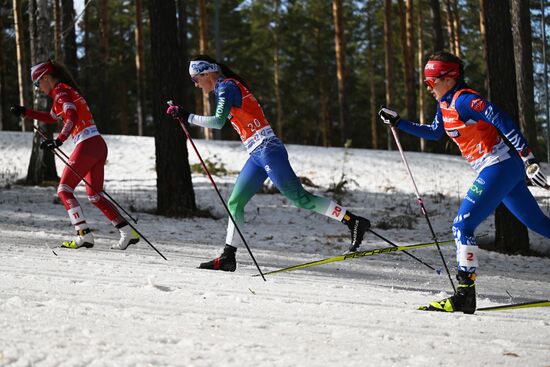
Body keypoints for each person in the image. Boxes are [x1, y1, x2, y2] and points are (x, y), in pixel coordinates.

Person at [379, 51, 550, 314]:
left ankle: (464, 296)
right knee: (537, 222)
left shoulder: (467, 100)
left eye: (431, 81)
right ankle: (464, 296)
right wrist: (400, 122)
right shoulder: (445, 103)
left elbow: (502, 119)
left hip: (499, 166)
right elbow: (435, 133)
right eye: (426, 82)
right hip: (501, 168)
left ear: (449, 78)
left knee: (463, 224)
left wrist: (529, 158)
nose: (428, 87)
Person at [167, 55, 371, 271]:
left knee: (300, 199)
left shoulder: (226, 86)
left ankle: (353, 221)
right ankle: (228, 256)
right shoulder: (223, 89)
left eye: (195, 79)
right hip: (256, 153)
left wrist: (186, 115)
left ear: (206, 73)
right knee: (235, 203)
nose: (196, 84)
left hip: (268, 149)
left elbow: (217, 122)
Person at [10, 60, 139, 250]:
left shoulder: (60, 92)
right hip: (97, 145)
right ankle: (128, 232)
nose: (38, 88)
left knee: (64, 190)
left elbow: (71, 116)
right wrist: (26, 112)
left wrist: (59, 139)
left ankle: (83, 235)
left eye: (38, 83)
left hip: (87, 144)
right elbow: (51, 117)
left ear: (46, 77)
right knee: (94, 195)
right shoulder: (63, 92)